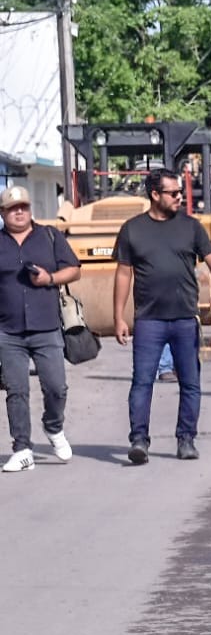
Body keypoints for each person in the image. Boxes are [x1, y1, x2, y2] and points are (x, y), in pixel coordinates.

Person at [112, 167, 211, 464]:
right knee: (142, 382)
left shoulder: (191, 227)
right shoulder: (132, 229)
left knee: (190, 383)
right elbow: (123, 274)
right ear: (155, 195)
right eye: (173, 193)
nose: (180, 197)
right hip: (148, 321)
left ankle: (186, 439)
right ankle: (139, 440)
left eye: (180, 192)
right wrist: (118, 317)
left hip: (184, 320)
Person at [0, 185, 81, 472]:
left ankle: (53, 426)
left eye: (23, 206)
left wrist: (49, 278)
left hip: (46, 327)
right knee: (16, 391)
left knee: (57, 387)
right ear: (3, 213)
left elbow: (74, 268)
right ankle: (22, 449)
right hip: (8, 331)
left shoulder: (49, 236)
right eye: (12, 208)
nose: (19, 211)